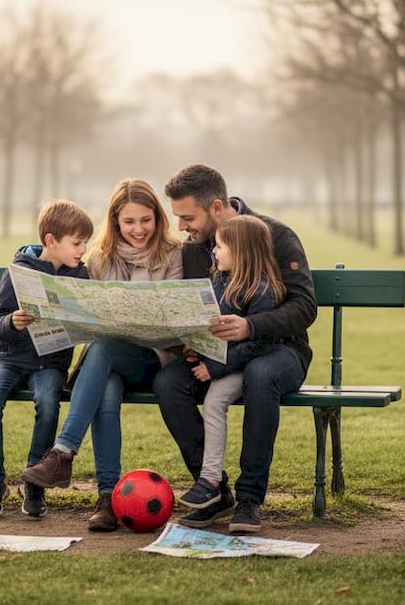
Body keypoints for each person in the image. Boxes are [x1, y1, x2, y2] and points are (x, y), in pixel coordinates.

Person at [154, 164, 317, 533]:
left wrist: (251, 326)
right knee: (169, 382)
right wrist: (192, 343)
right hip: (219, 354)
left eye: (187, 217)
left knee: (261, 375)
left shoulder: (275, 235)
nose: (181, 227)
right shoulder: (197, 249)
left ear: (215, 207)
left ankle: (250, 499)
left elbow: (305, 307)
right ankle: (212, 489)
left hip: (281, 351)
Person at [21, 178, 183, 531]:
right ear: (115, 221)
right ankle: (108, 499)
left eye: (146, 220)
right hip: (106, 362)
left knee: (105, 349)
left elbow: (179, 323)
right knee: (106, 383)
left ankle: (62, 452)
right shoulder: (97, 258)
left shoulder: (173, 255)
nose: (138, 229)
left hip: (153, 360)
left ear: (157, 218)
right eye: (129, 222)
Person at [0, 199, 94, 520]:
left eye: (85, 242)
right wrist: (12, 322)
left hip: (50, 364)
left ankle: (34, 480)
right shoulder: (18, 272)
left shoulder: (79, 276)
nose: (83, 249)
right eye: (77, 242)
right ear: (50, 241)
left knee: (48, 402)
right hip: (10, 358)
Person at [175, 215, 287, 514]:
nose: (214, 251)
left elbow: (258, 345)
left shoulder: (262, 290)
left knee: (214, 401)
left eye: (221, 246)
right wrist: (195, 348)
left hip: (248, 365)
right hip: (227, 362)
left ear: (242, 251)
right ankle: (211, 481)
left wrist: (215, 368)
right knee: (205, 398)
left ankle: (210, 479)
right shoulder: (221, 280)